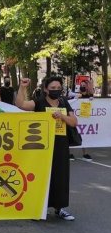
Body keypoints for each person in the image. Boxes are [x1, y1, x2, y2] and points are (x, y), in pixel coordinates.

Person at [16, 76, 77, 221]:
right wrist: (23, 87)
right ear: (45, 89)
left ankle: (60, 208)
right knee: (41, 175)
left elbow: (74, 122)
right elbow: (21, 104)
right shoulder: (39, 102)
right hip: (41, 146)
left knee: (61, 176)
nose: (56, 90)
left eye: (58, 88)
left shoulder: (64, 102)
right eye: (52, 88)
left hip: (61, 144)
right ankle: (38, 208)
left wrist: (62, 116)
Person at [69, 80, 93, 162]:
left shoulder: (90, 95)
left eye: (84, 85)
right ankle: (70, 153)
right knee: (73, 134)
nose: (82, 86)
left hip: (85, 118)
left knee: (84, 135)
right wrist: (75, 98)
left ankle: (85, 154)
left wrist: (91, 99)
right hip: (76, 117)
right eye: (81, 85)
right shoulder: (76, 94)